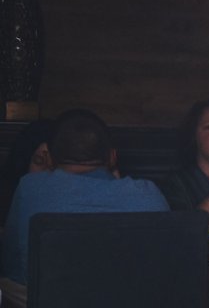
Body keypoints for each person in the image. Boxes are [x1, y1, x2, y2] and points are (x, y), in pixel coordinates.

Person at [2, 109, 166, 281]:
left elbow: (13, 266)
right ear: (112, 157)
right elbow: (165, 265)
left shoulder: (30, 188)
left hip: (49, 297)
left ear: (49, 159)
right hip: (133, 297)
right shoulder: (148, 194)